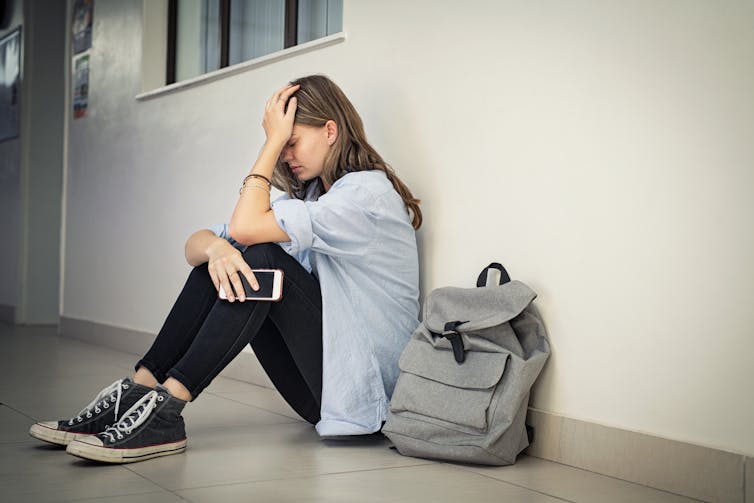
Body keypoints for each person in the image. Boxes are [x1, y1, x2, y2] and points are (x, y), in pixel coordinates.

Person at [28, 75, 422, 464]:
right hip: (325, 391)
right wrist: (216, 249)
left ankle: (167, 410)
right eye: (281, 146)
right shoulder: (315, 198)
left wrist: (269, 143)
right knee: (218, 264)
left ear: (330, 130)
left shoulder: (366, 195)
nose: (286, 155)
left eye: (291, 142)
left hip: (366, 395)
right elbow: (195, 245)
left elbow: (245, 229)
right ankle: (138, 392)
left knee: (261, 258)